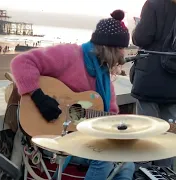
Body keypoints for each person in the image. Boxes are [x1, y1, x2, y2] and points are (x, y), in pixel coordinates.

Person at [11, 10, 135, 180]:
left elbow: (110, 115)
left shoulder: (103, 74)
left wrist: (122, 126)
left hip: (81, 139)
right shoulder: (70, 55)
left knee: (128, 163)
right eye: (121, 48)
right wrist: (39, 97)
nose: (123, 55)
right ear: (107, 47)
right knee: (104, 159)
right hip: (49, 137)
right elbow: (21, 62)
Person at [131, 0, 176, 168]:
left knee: (144, 135)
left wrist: (136, 29)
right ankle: (163, 174)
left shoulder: (153, 4)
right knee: (169, 139)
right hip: (174, 82)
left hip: (150, 80)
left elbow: (141, 37)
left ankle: (142, 173)